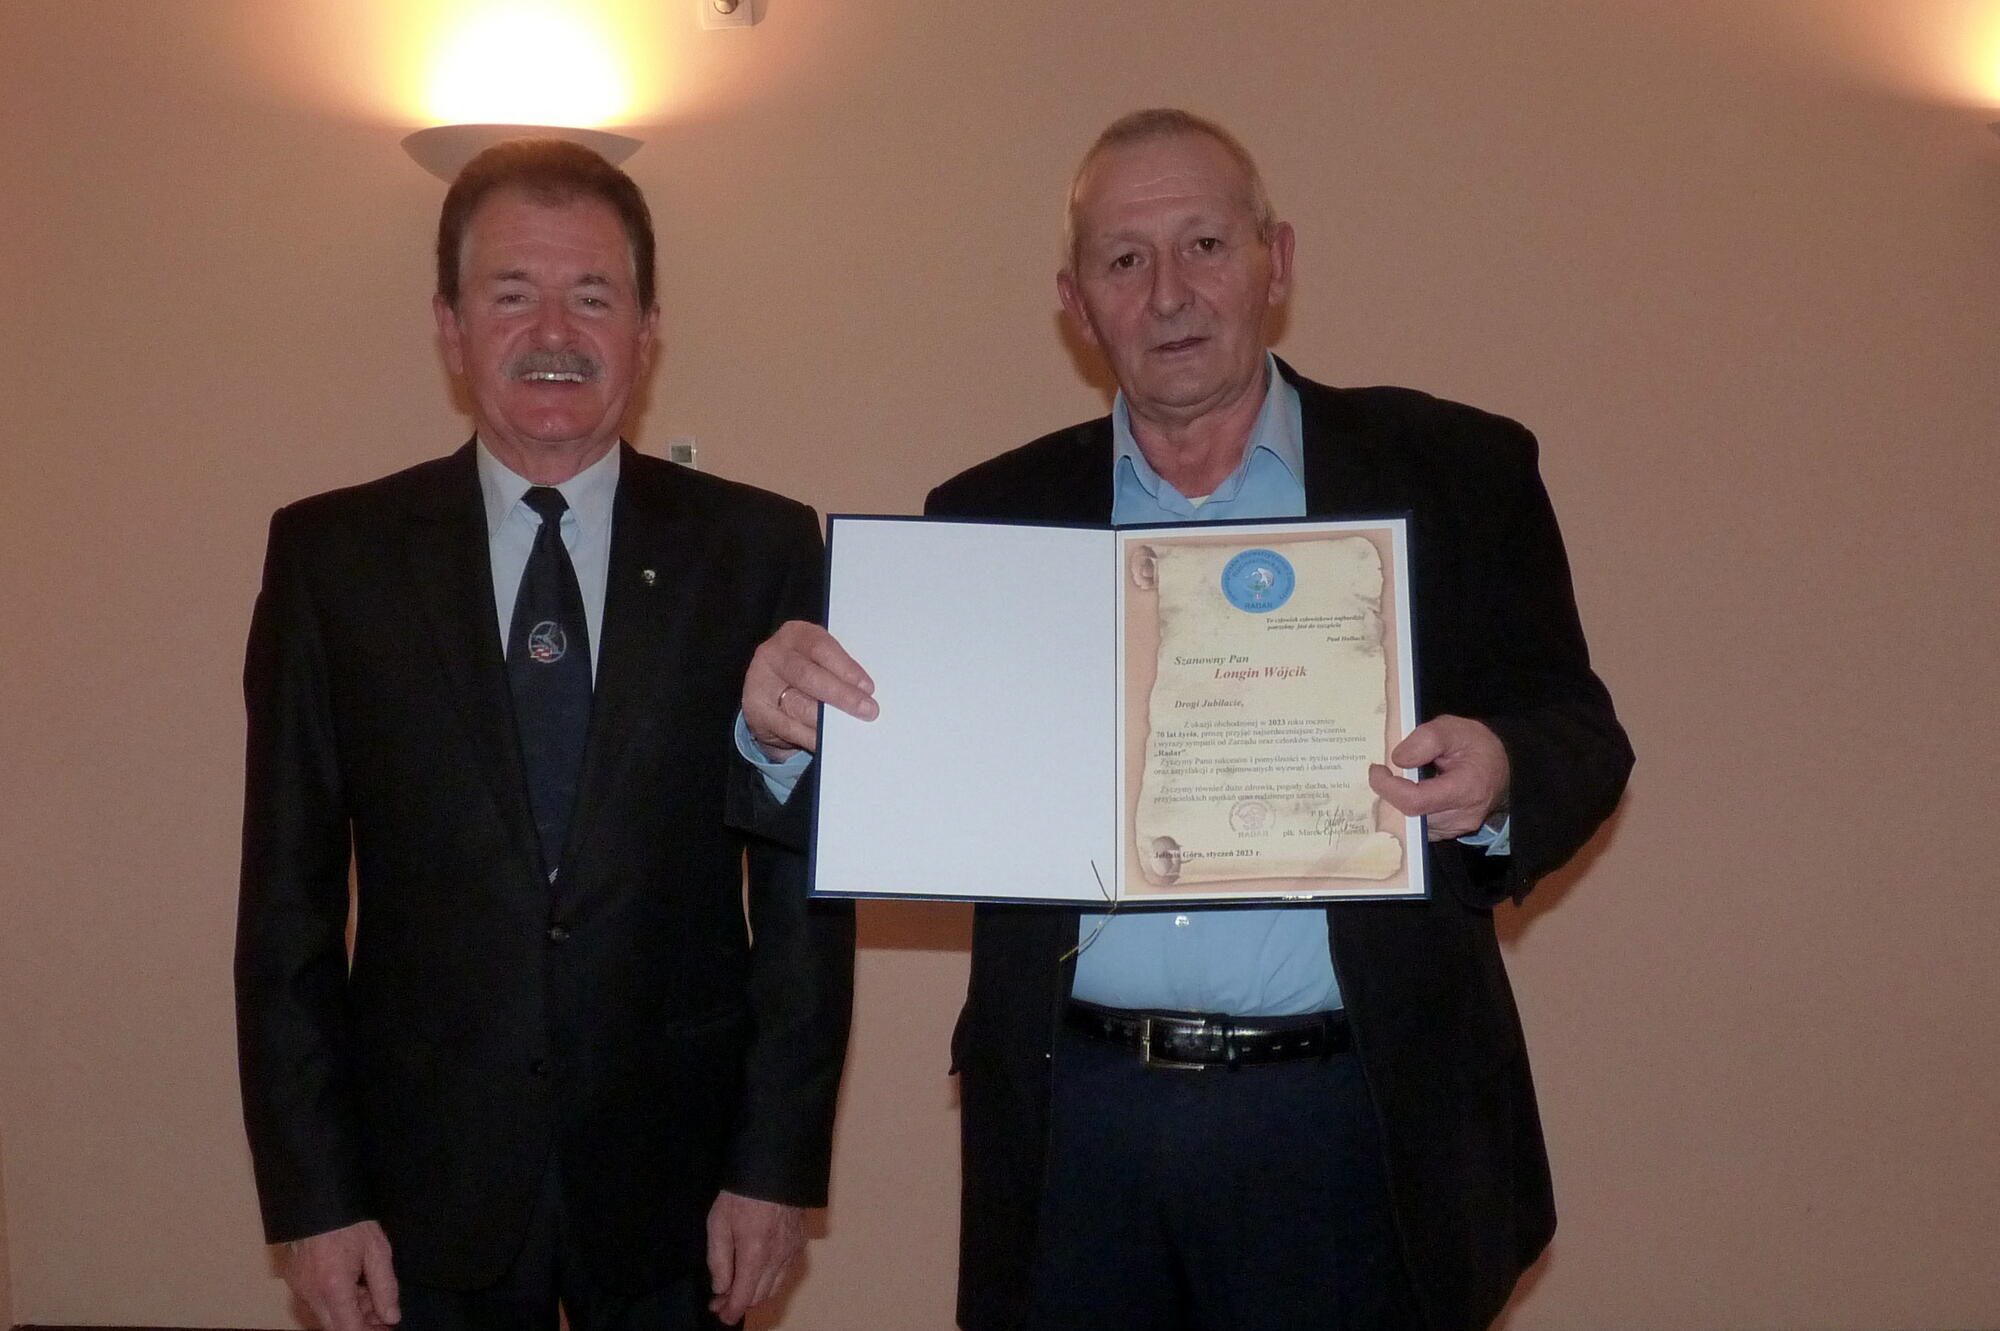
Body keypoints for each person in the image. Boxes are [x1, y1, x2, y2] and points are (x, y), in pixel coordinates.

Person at [737, 109, 1633, 1331]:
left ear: (1276, 259)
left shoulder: (1454, 469)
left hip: (1352, 1115)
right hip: (1076, 1125)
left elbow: (1577, 727)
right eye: (1124, 259)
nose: (1167, 292)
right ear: (1074, 302)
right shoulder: (987, 515)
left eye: (1204, 245)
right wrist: (784, 730)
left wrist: (1504, 768)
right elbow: (901, 784)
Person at [236, 139, 854, 1331]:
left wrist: (775, 1166)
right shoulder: (332, 560)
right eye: (511, 294)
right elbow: (284, 908)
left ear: (648, 329)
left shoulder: (759, 551)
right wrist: (313, 1196)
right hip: (421, 1181)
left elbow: (801, 901)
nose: (554, 332)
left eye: (593, 296)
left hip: (681, 1180)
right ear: (449, 324)